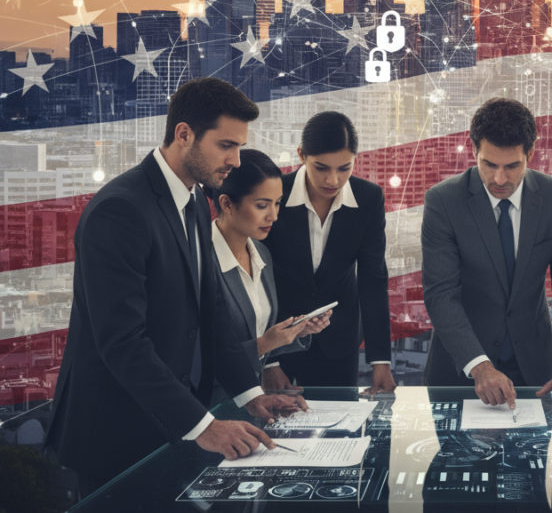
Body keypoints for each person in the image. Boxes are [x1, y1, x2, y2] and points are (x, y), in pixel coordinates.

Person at [46, 79, 300, 497]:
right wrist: (204, 426)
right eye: (226, 145)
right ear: (184, 135)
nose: (236, 160)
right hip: (114, 433)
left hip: (167, 426)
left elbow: (211, 308)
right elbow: (122, 342)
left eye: (239, 147)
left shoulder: (196, 200)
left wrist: (250, 393)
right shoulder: (121, 209)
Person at [421, 97, 552, 407]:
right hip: (461, 367)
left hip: (533, 368)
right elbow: (441, 294)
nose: (499, 179)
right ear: (475, 152)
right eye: (489, 164)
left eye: (512, 166)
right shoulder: (443, 201)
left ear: (530, 154)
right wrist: (480, 366)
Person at [261, 111, 395, 392]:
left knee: (341, 431)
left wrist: (380, 361)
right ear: (301, 155)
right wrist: (268, 362)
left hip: (338, 340)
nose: (333, 180)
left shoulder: (369, 198)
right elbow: (257, 278)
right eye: (321, 167)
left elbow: (373, 279)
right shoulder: (274, 194)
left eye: (344, 168)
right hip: (277, 337)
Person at [209, 149, 332, 396]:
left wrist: (297, 332)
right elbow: (199, 357)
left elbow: (256, 337)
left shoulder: (262, 254)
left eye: (277, 204)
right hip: (211, 404)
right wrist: (265, 343)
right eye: (262, 205)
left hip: (253, 398)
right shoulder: (202, 260)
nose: (274, 216)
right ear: (226, 203)